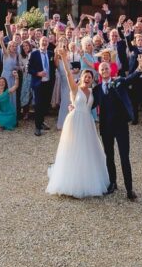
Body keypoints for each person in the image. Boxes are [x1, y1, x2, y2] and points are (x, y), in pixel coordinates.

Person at [46, 48, 112, 199]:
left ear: (92, 79)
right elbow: (69, 74)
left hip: (87, 122)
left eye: (90, 77)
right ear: (82, 78)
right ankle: (71, 181)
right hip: (75, 120)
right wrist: (64, 58)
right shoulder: (75, 89)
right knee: (74, 148)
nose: (88, 78)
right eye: (85, 76)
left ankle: (89, 179)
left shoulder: (94, 92)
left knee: (88, 149)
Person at [92, 55, 142, 201]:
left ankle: (129, 188)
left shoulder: (119, 82)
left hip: (121, 126)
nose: (104, 70)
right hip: (106, 127)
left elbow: (132, 78)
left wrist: (140, 67)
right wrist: (74, 106)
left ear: (111, 70)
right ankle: (113, 182)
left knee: (124, 157)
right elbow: (89, 105)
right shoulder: (96, 90)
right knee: (109, 156)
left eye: (106, 68)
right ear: (99, 72)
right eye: (102, 69)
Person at [29, 37, 54, 136]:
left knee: (45, 105)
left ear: (48, 43)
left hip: (48, 83)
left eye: (46, 41)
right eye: (42, 41)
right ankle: (37, 127)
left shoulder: (51, 54)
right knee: (38, 105)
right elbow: (29, 68)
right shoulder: (34, 54)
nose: (44, 43)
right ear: (39, 43)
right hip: (38, 83)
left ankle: (41, 121)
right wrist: (38, 73)